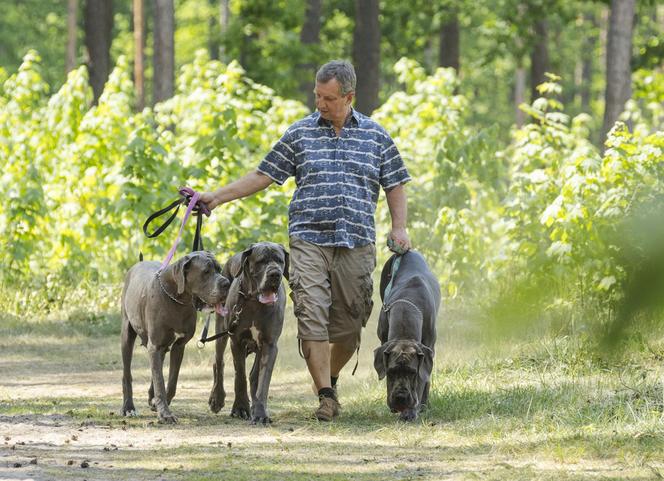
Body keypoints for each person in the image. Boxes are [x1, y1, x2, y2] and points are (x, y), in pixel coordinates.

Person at [200, 59, 411, 421]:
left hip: (356, 242)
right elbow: (263, 175)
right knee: (311, 315)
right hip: (308, 241)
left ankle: (327, 376)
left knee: (349, 327)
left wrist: (399, 227)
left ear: (349, 97)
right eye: (317, 96)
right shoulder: (300, 134)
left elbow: (394, 182)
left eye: (328, 98)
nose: (320, 104)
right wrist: (216, 197)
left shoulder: (376, 136)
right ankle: (326, 397)